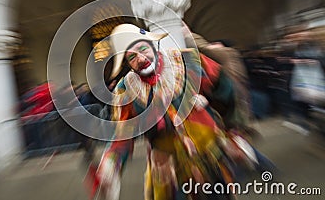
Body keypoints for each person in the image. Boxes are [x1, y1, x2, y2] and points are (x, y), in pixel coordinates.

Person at [86, 24, 268, 200]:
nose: (140, 59)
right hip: (168, 170)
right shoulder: (125, 90)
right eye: (132, 57)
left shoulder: (188, 62)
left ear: (153, 44)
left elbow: (226, 91)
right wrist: (111, 165)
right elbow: (122, 135)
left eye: (143, 49)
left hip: (209, 156)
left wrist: (234, 131)